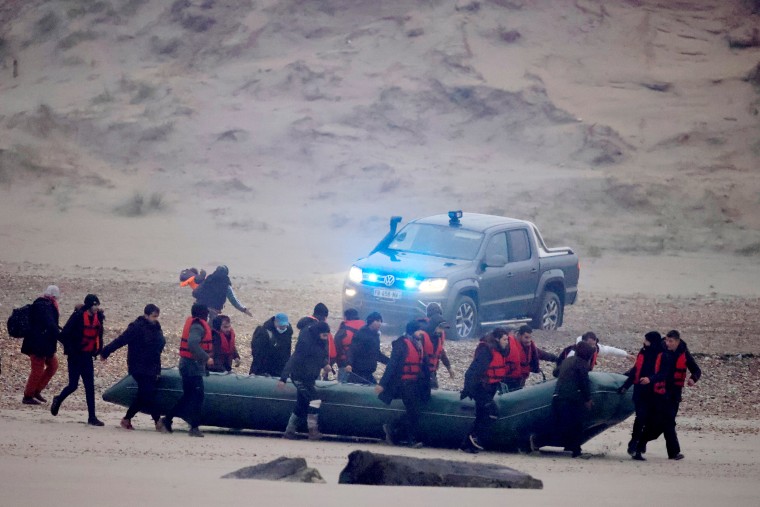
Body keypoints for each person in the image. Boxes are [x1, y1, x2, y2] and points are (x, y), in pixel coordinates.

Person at [100, 304, 166, 431]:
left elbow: (159, 345)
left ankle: (127, 419)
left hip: (152, 365)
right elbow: (121, 340)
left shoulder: (156, 327)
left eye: (157, 317)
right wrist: (106, 351)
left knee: (146, 393)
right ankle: (158, 422)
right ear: (146, 315)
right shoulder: (136, 327)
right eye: (153, 316)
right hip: (138, 365)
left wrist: (158, 367)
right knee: (147, 392)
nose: (155, 319)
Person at [638, 329, 702, 461]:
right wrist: (649, 379)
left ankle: (643, 443)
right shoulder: (661, 352)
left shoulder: (684, 352)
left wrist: (693, 379)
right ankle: (671, 452)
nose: (667, 343)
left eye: (671, 341)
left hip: (675, 394)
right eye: (666, 340)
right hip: (660, 393)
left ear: (677, 341)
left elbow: (696, 370)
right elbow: (656, 370)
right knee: (663, 423)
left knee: (665, 423)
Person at [157, 303, 214, 437]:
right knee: (197, 396)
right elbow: (192, 343)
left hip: (189, 365)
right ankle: (193, 427)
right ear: (202, 314)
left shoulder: (196, 324)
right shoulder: (197, 326)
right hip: (191, 366)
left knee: (189, 396)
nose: (207, 315)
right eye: (206, 313)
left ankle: (167, 420)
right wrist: (206, 358)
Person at [51, 294, 105, 426]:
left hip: (87, 357)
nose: (97, 307)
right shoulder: (77, 317)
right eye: (94, 305)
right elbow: (63, 335)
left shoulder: (99, 318)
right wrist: (71, 349)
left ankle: (92, 417)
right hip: (75, 356)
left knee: (89, 387)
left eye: (97, 304)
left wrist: (99, 350)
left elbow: (99, 335)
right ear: (88, 305)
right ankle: (58, 399)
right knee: (73, 385)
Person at [376, 320, 431, 448]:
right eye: (419, 331)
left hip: (415, 383)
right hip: (404, 383)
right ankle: (408, 438)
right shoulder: (402, 344)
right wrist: (382, 384)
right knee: (414, 411)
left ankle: (394, 429)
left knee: (415, 411)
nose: (421, 333)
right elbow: (392, 365)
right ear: (413, 331)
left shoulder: (418, 344)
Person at [459, 327, 510, 453]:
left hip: (490, 388)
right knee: (487, 413)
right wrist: (468, 389)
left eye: (507, 339)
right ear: (497, 339)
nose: (507, 342)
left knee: (482, 415)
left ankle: (466, 444)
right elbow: (474, 370)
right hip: (481, 388)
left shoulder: (498, 350)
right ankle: (472, 441)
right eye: (505, 339)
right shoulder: (486, 351)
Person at [278, 321, 331, 440]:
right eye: (324, 335)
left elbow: (319, 356)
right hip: (300, 377)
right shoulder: (305, 343)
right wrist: (283, 378)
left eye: (327, 336)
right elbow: (293, 359)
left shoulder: (320, 342)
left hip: (310, 377)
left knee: (301, 404)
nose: (325, 338)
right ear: (318, 334)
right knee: (315, 401)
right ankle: (312, 430)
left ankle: (289, 431)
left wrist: (325, 364)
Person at [618, 331, 664, 460]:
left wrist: (650, 379)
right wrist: (625, 386)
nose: (644, 342)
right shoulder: (643, 351)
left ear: (652, 341)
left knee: (652, 422)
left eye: (646, 340)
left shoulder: (662, 354)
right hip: (640, 392)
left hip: (654, 393)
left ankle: (641, 443)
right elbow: (635, 371)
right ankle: (634, 446)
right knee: (641, 418)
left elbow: (663, 373)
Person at [552, 340, 596, 457]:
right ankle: (576, 450)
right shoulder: (582, 364)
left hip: (558, 396)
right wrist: (588, 399)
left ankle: (569, 445)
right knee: (577, 424)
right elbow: (584, 383)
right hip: (570, 398)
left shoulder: (567, 360)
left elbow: (555, 372)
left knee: (568, 423)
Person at [21, 285, 61, 405]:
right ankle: (28, 396)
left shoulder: (45, 305)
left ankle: (36, 390)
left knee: (53, 365)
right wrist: (61, 336)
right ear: (53, 296)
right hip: (37, 345)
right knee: (37, 370)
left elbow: (50, 325)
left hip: (45, 345)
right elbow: (50, 324)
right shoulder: (44, 306)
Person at [554, 331, 634, 377]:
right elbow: (564, 370)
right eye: (590, 344)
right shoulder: (573, 353)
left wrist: (626, 355)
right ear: (584, 342)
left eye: (594, 344)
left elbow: (609, 350)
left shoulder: (595, 348)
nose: (592, 347)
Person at [345, 311, 389, 385]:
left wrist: (390, 362)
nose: (380, 323)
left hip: (368, 373)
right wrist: (349, 364)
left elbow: (376, 354)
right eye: (377, 321)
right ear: (371, 321)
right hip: (358, 373)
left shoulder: (375, 336)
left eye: (381, 321)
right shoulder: (361, 334)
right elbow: (352, 350)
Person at [296, 303, 335, 380]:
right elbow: (323, 347)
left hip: (300, 363)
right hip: (313, 366)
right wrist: (326, 363)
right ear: (324, 316)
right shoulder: (320, 328)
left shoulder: (305, 325)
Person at [420, 306, 455, 388]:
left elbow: (440, 352)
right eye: (440, 328)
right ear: (434, 326)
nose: (442, 331)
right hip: (420, 373)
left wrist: (449, 367)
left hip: (432, 372)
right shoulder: (422, 336)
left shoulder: (438, 336)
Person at [250, 313, 293, 377]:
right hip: (265, 366)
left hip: (280, 366)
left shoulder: (288, 331)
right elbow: (257, 352)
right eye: (281, 326)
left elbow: (287, 350)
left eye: (285, 326)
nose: (283, 328)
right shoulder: (263, 331)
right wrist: (254, 370)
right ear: (275, 322)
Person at [515, 324, 558, 389]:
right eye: (526, 337)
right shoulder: (511, 348)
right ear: (519, 336)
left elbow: (543, 355)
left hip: (522, 377)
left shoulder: (530, 348)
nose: (529, 340)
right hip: (511, 379)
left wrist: (557, 358)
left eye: (530, 337)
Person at [333, 308, 365, 383]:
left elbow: (337, 344)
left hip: (345, 363)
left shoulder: (344, 328)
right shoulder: (364, 327)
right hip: (362, 364)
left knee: (342, 388)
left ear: (346, 317)